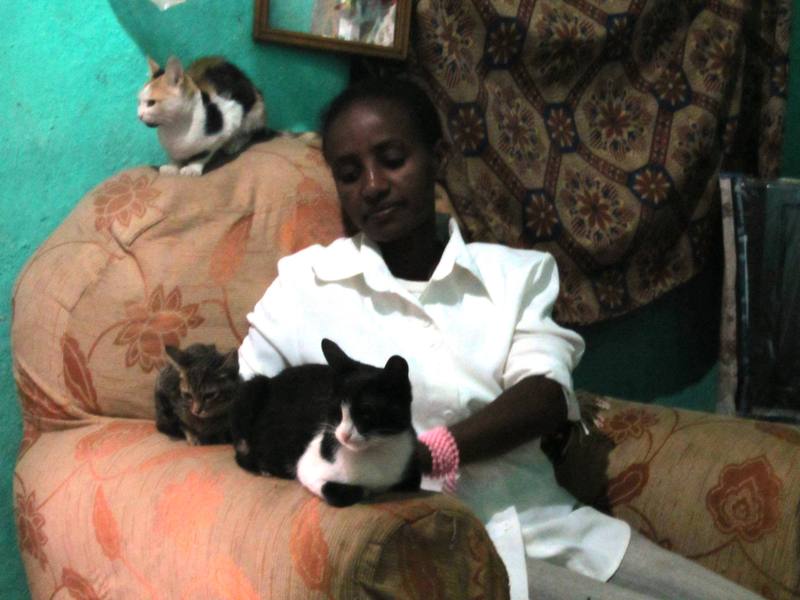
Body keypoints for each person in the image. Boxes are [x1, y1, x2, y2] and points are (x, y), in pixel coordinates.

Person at [238, 78, 762, 600]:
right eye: (349, 174)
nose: (372, 185)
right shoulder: (307, 284)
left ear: (436, 158)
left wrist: (428, 453)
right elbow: (244, 398)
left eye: (393, 159)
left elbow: (545, 393)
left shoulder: (514, 276)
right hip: (436, 551)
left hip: (550, 523)